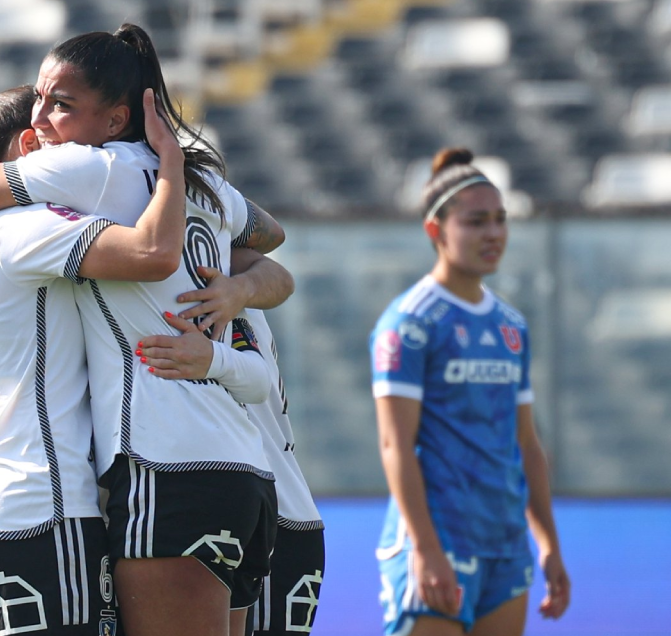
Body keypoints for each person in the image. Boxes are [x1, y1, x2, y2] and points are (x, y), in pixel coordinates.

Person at [0, 24, 292, 636]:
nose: (40, 120)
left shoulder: (86, 170)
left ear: (116, 120)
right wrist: (237, 284)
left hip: (162, 464)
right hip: (243, 466)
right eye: (38, 100)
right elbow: (270, 237)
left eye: (60, 104)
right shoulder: (204, 183)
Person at [369, 148, 570, 636]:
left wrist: (547, 543)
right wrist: (427, 549)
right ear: (436, 231)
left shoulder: (511, 326)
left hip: (505, 545)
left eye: (500, 220)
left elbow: (526, 443)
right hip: (438, 540)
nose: (494, 234)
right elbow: (395, 444)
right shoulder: (409, 323)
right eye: (476, 222)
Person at [137, 306, 327, 635]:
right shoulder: (235, 285)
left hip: (266, 514)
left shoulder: (215, 290)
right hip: (274, 506)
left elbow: (273, 275)